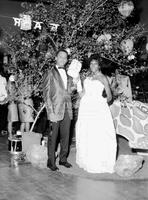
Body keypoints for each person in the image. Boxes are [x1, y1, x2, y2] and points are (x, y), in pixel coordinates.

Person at [76, 54, 117, 173]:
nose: (93, 65)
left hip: (97, 109)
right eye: (91, 63)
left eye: (95, 63)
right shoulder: (87, 78)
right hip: (85, 109)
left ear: (99, 66)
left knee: (98, 134)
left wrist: (100, 103)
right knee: (86, 133)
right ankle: (87, 160)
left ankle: (99, 162)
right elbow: (82, 94)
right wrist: (78, 82)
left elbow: (109, 97)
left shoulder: (103, 78)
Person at [42, 49, 73, 171]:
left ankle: (63, 159)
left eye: (65, 57)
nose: (63, 59)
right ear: (56, 57)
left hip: (67, 109)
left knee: (66, 136)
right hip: (55, 109)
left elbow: (69, 92)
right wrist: (50, 112)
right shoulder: (49, 73)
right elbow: (46, 94)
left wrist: (74, 86)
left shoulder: (69, 74)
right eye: (61, 57)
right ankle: (51, 161)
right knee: (53, 136)